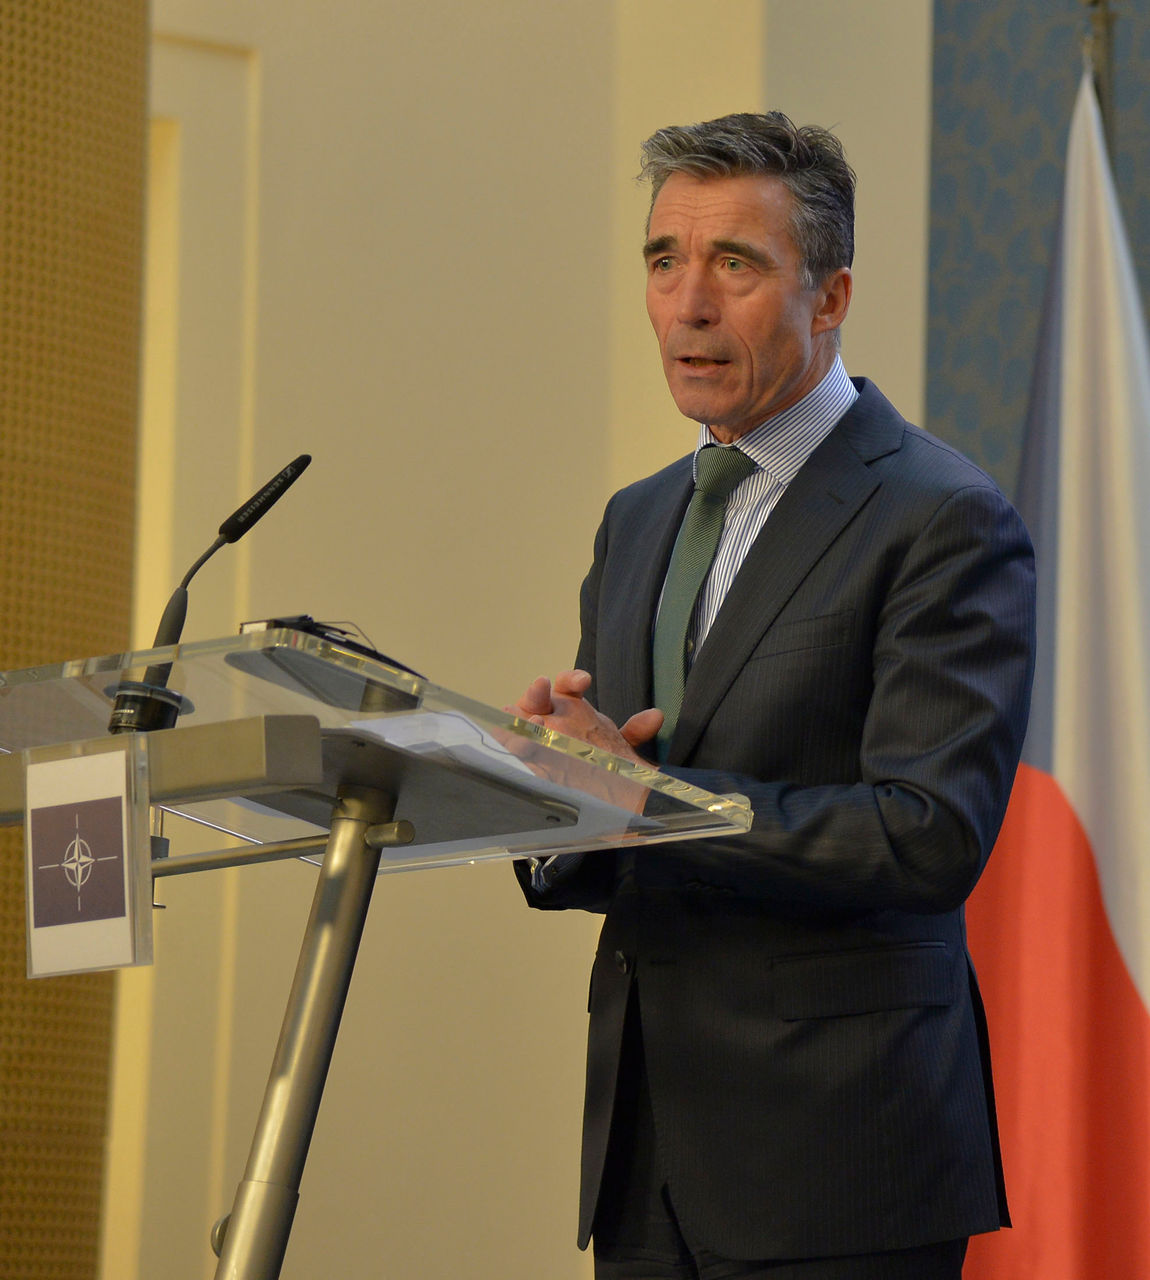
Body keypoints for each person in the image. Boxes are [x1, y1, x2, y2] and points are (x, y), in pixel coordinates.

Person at [510, 112, 1035, 1280]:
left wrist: (647, 796)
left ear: (831, 295)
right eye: (663, 261)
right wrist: (551, 798)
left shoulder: (941, 516)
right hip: (646, 1155)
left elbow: (927, 833)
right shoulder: (637, 516)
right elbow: (635, 803)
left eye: (733, 265)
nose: (687, 303)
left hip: (841, 1158)